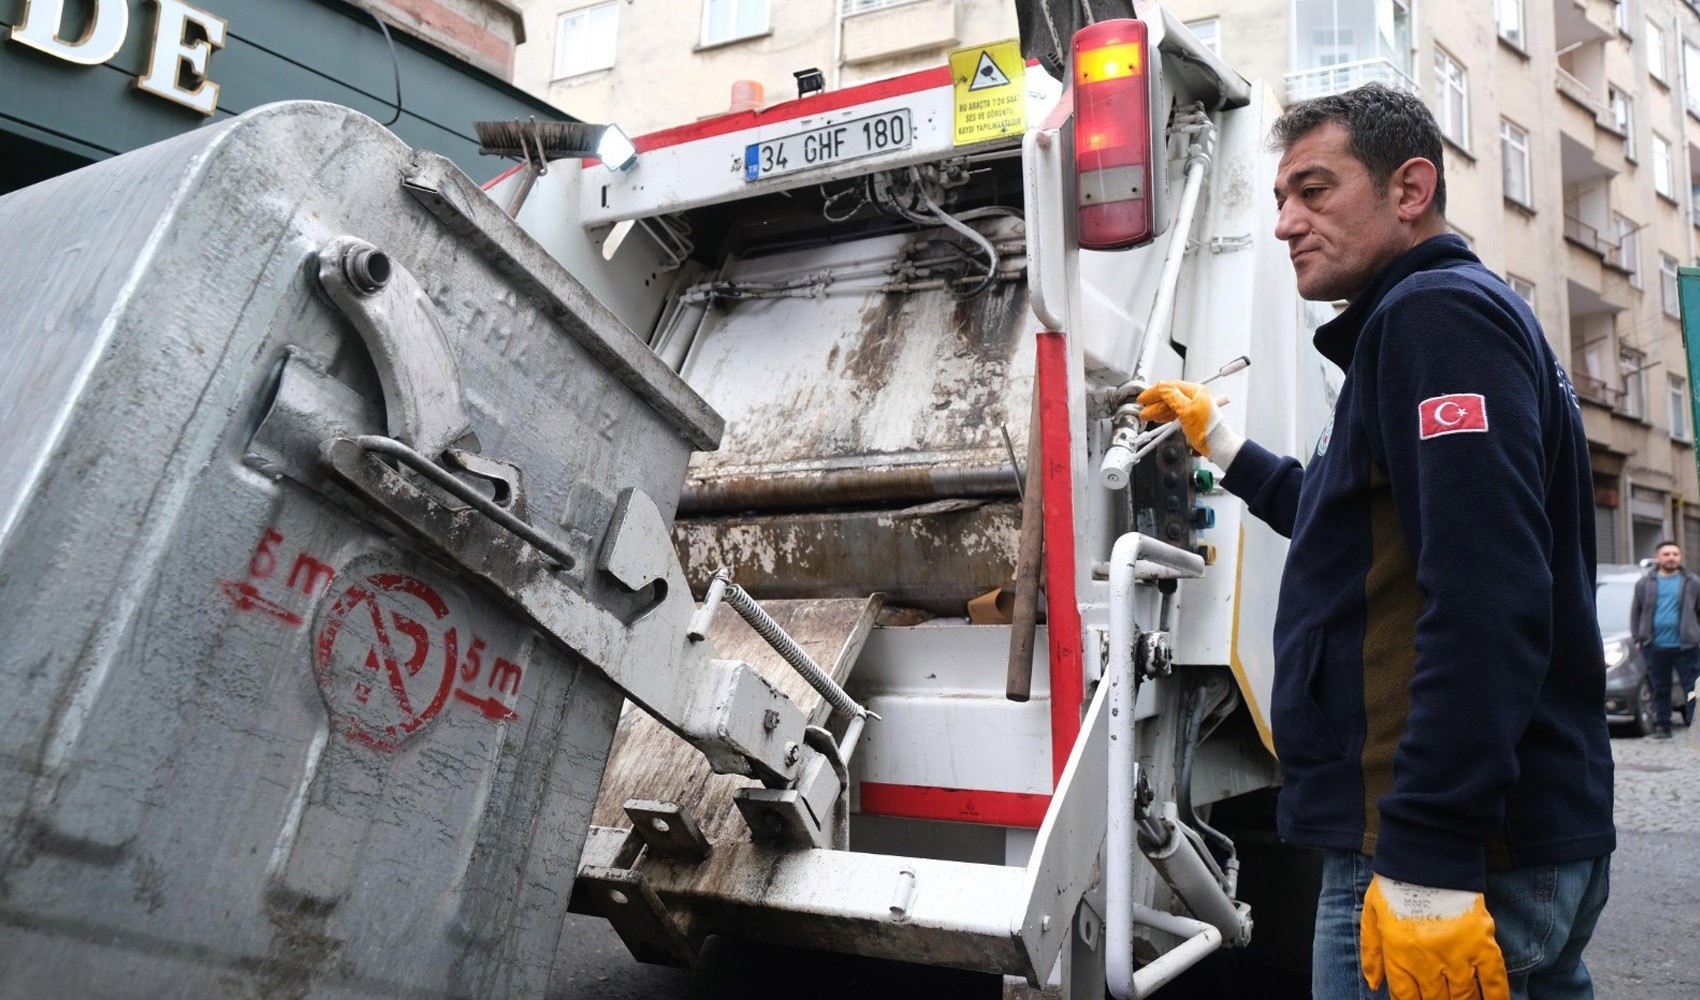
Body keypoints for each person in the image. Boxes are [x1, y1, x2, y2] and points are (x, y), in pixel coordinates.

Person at [1139, 85, 1614, 1000]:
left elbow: (1486, 595)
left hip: (1441, 850)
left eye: (1314, 192)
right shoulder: (1430, 325)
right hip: (1484, 838)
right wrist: (1222, 445)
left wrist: (1430, 852)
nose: (1285, 224)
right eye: (1280, 199)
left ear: (1409, 189)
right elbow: (1349, 523)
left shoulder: (1437, 319)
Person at [1629, 540, 1700, 738]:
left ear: (1680, 557)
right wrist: (1637, 637)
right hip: (1654, 645)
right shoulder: (1645, 583)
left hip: (1687, 645)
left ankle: (1694, 726)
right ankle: (1663, 726)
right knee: (1660, 688)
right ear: (1658, 557)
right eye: (1666, 554)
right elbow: (1636, 611)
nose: (1671, 558)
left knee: (1692, 687)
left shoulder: (1692, 581)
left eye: (1675, 554)